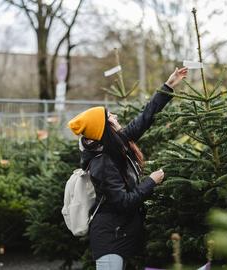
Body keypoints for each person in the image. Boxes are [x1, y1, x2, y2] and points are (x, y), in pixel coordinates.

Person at [68, 67, 188, 270]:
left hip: (122, 232)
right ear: (105, 129)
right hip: (110, 238)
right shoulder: (102, 163)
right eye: (110, 117)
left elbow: (145, 118)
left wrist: (168, 85)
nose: (115, 116)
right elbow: (123, 202)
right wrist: (151, 181)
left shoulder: (115, 142)